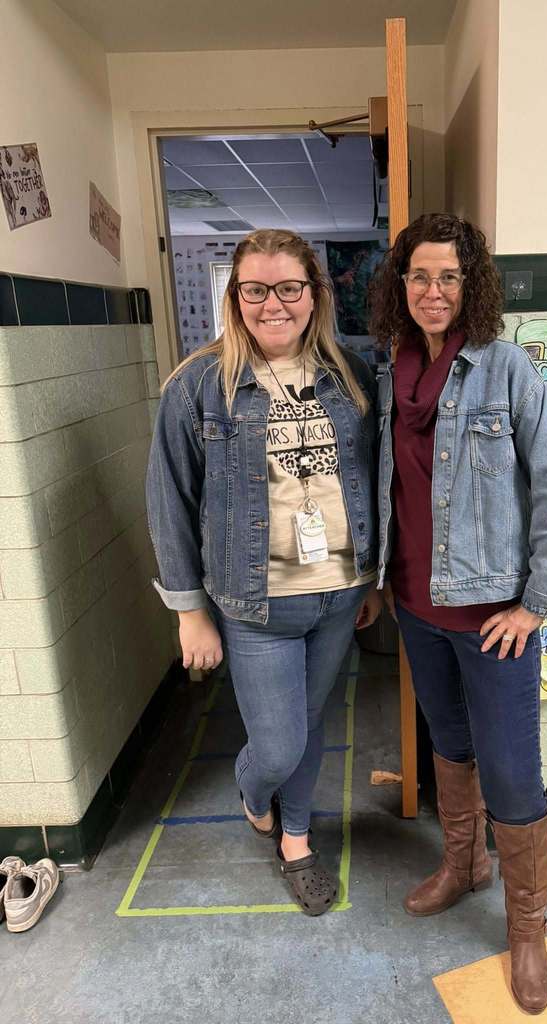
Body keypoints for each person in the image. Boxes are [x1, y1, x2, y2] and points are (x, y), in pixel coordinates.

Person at [369, 213, 547, 1013]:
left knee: (511, 774)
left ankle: (527, 931)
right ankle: (464, 865)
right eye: (420, 276)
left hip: (495, 618)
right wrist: (378, 578)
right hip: (416, 606)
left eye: (449, 277)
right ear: (402, 285)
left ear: (472, 286)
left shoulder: (507, 371)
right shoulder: (389, 369)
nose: (433, 290)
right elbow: (384, 488)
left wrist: (536, 605)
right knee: (450, 749)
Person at [146, 229, 381, 916]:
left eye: (288, 288)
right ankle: (255, 794)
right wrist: (189, 610)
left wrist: (373, 579)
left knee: (310, 729)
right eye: (255, 289)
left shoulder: (351, 376)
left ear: (315, 295)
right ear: (235, 296)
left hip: (338, 595)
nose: (272, 304)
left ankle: (298, 842)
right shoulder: (197, 387)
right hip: (255, 605)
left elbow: (372, 479)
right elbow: (169, 499)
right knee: (277, 745)